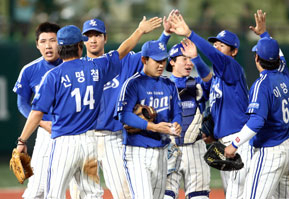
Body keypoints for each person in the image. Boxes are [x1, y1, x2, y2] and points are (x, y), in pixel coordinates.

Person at [15, 17, 161, 198]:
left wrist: (22, 141)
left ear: (59, 49)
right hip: (89, 145)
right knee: (92, 194)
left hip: (64, 144)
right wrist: (139, 31)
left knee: (54, 194)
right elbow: (122, 51)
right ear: (80, 46)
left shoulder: (53, 76)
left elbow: (36, 113)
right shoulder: (96, 67)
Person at [70, 11, 177, 199]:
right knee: (82, 194)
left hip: (114, 138)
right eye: (88, 36)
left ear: (105, 38)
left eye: (97, 35)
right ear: (82, 41)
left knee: (125, 193)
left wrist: (165, 34)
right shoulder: (77, 67)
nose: (93, 40)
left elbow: (152, 56)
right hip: (84, 138)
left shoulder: (124, 62)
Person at [169, 13, 252, 198]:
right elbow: (207, 78)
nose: (216, 47)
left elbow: (213, 57)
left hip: (239, 140)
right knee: (231, 193)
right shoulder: (217, 78)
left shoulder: (232, 68)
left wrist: (190, 34)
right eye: (215, 44)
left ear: (234, 51)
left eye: (221, 45)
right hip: (223, 142)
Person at [224, 10, 289, 199]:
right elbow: (279, 55)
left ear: (257, 58)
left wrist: (234, 144)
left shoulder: (262, 84)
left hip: (270, 151)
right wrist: (265, 34)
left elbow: (257, 121)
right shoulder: (283, 73)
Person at [116, 40, 182, 199]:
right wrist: (154, 127)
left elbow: (177, 111)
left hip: (161, 151)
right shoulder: (133, 84)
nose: (161, 65)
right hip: (137, 151)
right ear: (144, 60)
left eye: (163, 60)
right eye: (157, 61)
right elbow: (124, 115)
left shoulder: (169, 84)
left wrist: (177, 124)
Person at [13, 22, 62, 199]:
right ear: (37, 44)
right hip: (46, 133)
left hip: (76, 132)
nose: (48, 45)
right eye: (43, 41)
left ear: (61, 42)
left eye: (53, 40)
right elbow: (23, 104)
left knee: (82, 187)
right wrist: (42, 124)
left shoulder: (72, 66)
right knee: (38, 188)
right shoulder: (30, 70)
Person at [164, 39, 212, 199]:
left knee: (199, 197)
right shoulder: (161, 86)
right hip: (169, 148)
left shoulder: (197, 84)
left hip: (195, 148)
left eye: (190, 59)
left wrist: (197, 58)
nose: (188, 63)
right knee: (165, 196)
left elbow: (210, 80)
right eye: (184, 58)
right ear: (172, 61)